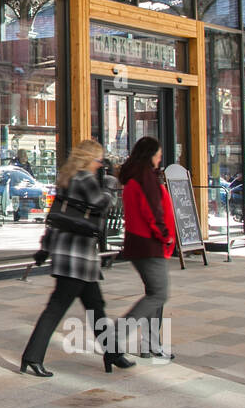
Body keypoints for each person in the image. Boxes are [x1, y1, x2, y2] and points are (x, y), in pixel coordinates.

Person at [19, 139, 135, 378]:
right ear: (88, 159)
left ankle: (112, 353)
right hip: (78, 256)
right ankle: (32, 357)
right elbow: (101, 204)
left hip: (70, 253)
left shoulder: (66, 179)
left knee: (95, 306)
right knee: (57, 307)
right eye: (98, 160)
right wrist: (111, 183)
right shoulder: (84, 179)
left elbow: (55, 219)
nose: (100, 164)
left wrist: (46, 248)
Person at [118, 136, 176, 360]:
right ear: (149, 154)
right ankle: (117, 333)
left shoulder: (136, 175)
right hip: (150, 244)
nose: (160, 158)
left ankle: (151, 345)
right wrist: (165, 236)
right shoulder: (145, 177)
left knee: (155, 295)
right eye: (158, 154)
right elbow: (152, 211)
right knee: (158, 294)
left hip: (143, 243)